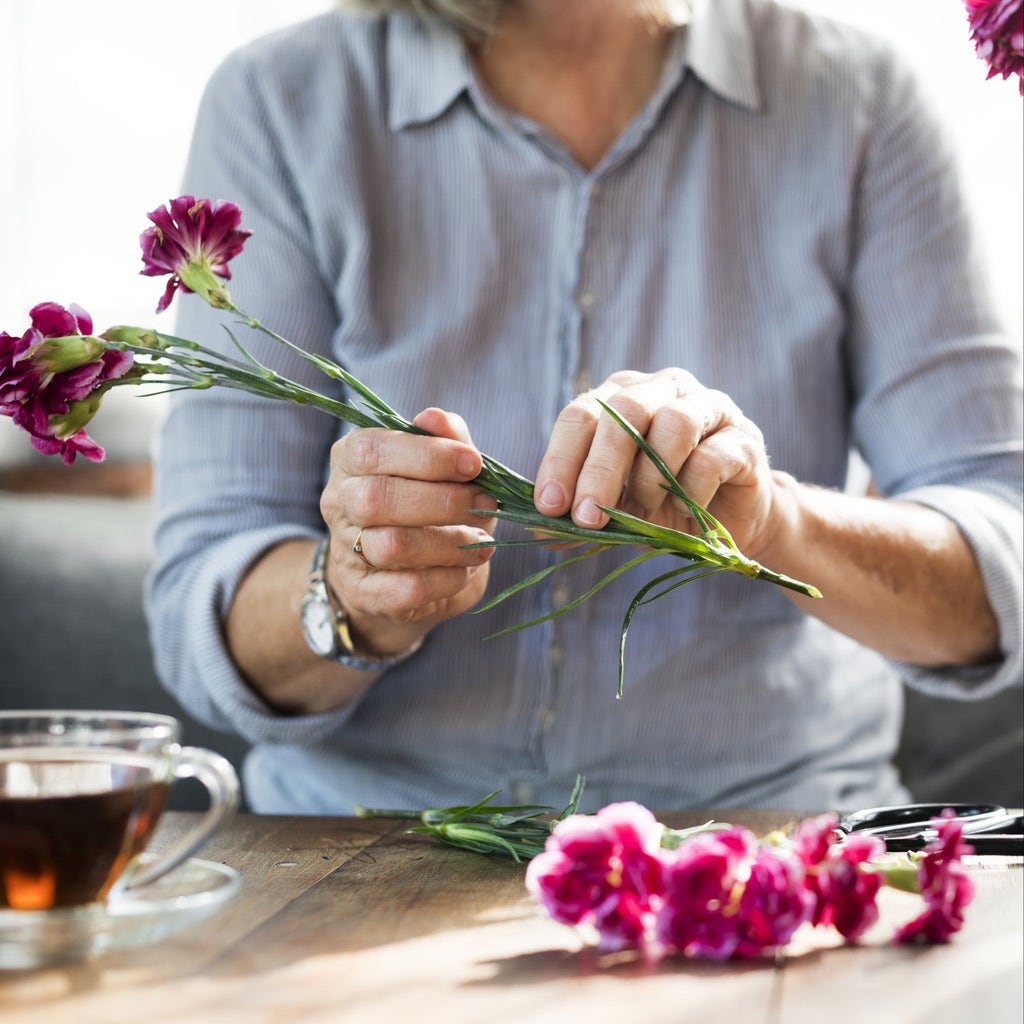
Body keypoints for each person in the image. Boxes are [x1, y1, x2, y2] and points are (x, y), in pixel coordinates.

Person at [147, 0, 1023, 815]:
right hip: (363, 845)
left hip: (766, 843)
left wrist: (772, 522)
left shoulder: (858, 101)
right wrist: (353, 594)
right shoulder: (282, 101)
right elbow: (203, 605)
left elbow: (997, 570)